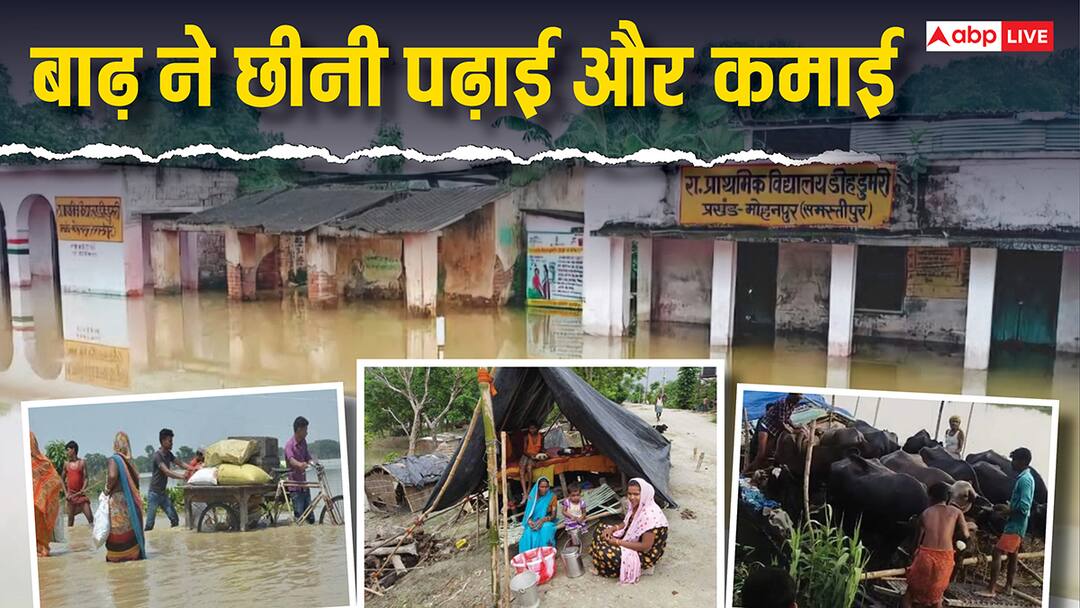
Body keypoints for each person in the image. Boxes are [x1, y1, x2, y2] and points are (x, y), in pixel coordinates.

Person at [903, 482, 972, 608]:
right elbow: (966, 535)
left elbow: (916, 542)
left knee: (909, 594)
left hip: (926, 556)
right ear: (948, 498)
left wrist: (912, 558)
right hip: (945, 558)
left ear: (931, 497)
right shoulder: (956, 512)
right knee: (937, 597)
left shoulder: (925, 513)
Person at [979, 447, 1035, 599]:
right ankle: (1008, 587)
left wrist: (1007, 510)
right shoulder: (1026, 478)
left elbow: (1024, 507)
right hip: (1018, 523)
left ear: (1022, 461)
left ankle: (991, 589)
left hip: (1015, 524)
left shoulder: (1025, 480)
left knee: (997, 552)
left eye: (1014, 460)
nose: (1012, 464)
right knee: (1013, 555)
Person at [589, 478, 669, 584]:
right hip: (632, 539)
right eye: (629, 494)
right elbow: (627, 523)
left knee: (603, 551)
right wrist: (613, 528)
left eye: (636, 494)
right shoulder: (637, 506)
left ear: (645, 494)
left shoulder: (650, 516)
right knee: (600, 529)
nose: (631, 498)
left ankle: (642, 567)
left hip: (645, 554)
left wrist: (618, 542)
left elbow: (645, 547)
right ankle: (604, 557)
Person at [106, 431, 146, 562]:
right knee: (129, 529)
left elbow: (112, 476)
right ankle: (132, 553)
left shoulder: (114, 459)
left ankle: (116, 556)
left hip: (117, 502)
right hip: (129, 502)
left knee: (116, 531)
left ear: (115, 444)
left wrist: (106, 489)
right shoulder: (129, 462)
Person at [743, 393, 802, 473]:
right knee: (761, 455)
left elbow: (787, 419)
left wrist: (794, 426)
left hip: (774, 430)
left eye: (799, 400)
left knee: (768, 453)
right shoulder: (783, 403)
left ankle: (758, 470)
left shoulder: (792, 404)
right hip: (766, 427)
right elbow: (781, 422)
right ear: (792, 396)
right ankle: (745, 472)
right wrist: (791, 431)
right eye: (797, 399)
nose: (798, 401)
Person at [145, 428, 186, 531]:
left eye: (172, 441)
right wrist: (182, 476)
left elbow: (180, 463)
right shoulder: (157, 456)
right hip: (154, 494)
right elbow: (167, 472)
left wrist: (192, 468)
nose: (172, 443)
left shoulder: (169, 454)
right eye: (170, 441)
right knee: (149, 525)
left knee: (175, 520)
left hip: (163, 494)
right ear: (163, 441)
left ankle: (170, 544)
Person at [30, 432, 62, 557]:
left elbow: (55, 481)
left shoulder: (41, 462)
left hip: (38, 505)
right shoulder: (44, 462)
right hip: (39, 505)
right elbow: (56, 481)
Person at [285, 416, 317, 524]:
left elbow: (308, 456)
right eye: (305, 430)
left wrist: (314, 463)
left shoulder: (304, 442)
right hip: (295, 485)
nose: (307, 432)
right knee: (299, 518)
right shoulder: (289, 445)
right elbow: (291, 460)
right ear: (299, 429)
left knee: (310, 517)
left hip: (304, 484)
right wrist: (300, 465)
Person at [518, 476, 558, 552]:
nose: (544, 489)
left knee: (546, 528)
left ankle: (547, 552)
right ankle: (530, 555)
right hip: (534, 521)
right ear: (537, 487)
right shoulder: (532, 497)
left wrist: (543, 520)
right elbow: (528, 513)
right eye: (542, 487)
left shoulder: (552, 497)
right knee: (529, 532)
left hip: (547, 520)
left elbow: (554, 515)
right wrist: (529, 521)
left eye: (546, 487)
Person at [63, 440, 93, 527]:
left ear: (73, 450)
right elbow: (62, 479)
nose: (67, 452)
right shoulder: (66, 464)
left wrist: (83, 489)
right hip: (71, 497)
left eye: (68, 450)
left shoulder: (82, 462)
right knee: (70, 522)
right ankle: (71, 540)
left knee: (91, 520)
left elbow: (86, 478)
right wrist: (66, 493)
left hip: (81, 496)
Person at [518, 422, 544, 498]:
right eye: (530, 428)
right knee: (522, 470)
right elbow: (524, 451)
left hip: (535, 456)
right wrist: (530, 456)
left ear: (537, 428)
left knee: (529, 468)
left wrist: (545, 454)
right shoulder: (526, 437)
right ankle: (524, 492)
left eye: (533, 428)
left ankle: (529, 488)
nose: (532, 430)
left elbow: (542, 448)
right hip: (527, 455)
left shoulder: (541, 437)